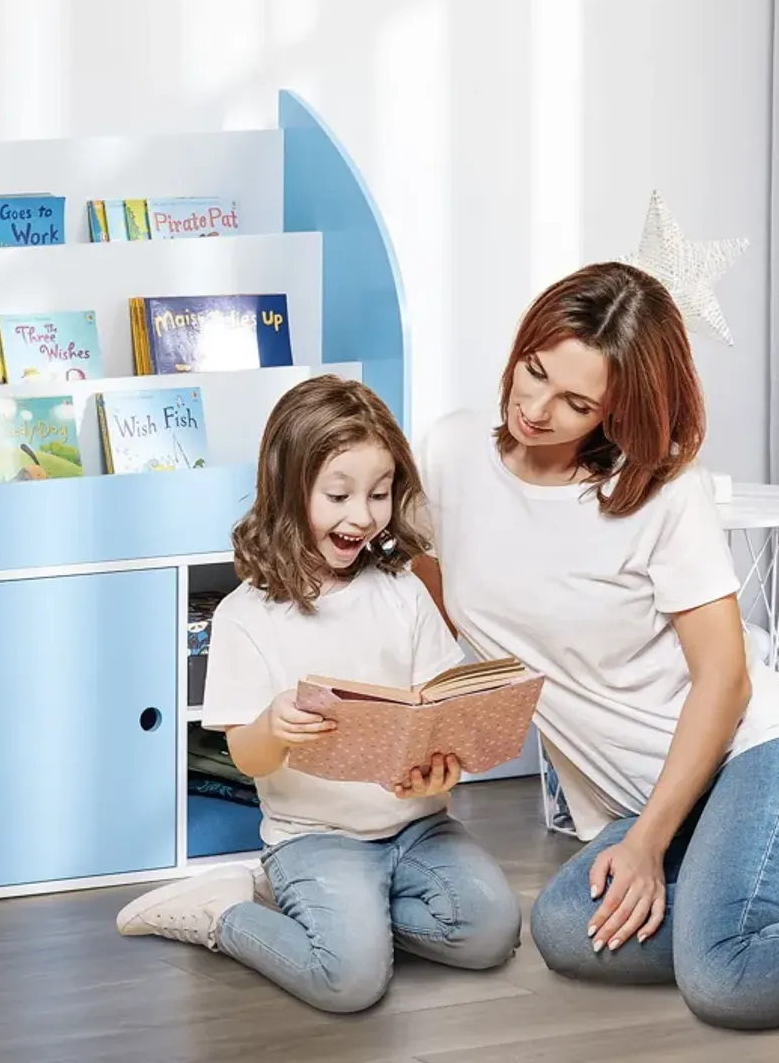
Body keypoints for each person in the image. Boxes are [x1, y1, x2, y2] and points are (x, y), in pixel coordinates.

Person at [412, 261, 779, 1029]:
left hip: (761, 755)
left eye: (577, 402)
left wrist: (649, 845)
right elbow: (433, 611)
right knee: (562, 928)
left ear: (618, 410)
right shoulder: (450, 453)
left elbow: (725, 680)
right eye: (534, 371)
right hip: (641, 798)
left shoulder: (660, 491)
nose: (537, 408)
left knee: (723, 975)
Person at [115, 375, 522, 1014]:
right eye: (339, 494)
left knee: (492, 934)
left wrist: (443, 773)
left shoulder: (403, 592)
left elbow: (438, 713)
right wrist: (274, 727)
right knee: (350, 982)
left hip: (417, 829)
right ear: (289, 487)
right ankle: (223, 912)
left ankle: (348, 918)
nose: (362, 515)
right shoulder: (247, 615)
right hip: (315, 835)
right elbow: (248, 760)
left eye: (380, 494)